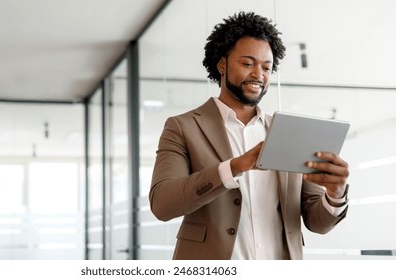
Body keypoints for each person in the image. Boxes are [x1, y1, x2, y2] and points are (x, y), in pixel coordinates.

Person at [149, 11, 349, 260]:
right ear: (222, 65)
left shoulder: (287, 132)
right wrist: (233, 167)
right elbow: (163, 204)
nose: (258, 74)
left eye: (266, 67)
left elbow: (317, 222)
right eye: (247, 63)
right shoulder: (183, 127)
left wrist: (335, 194)